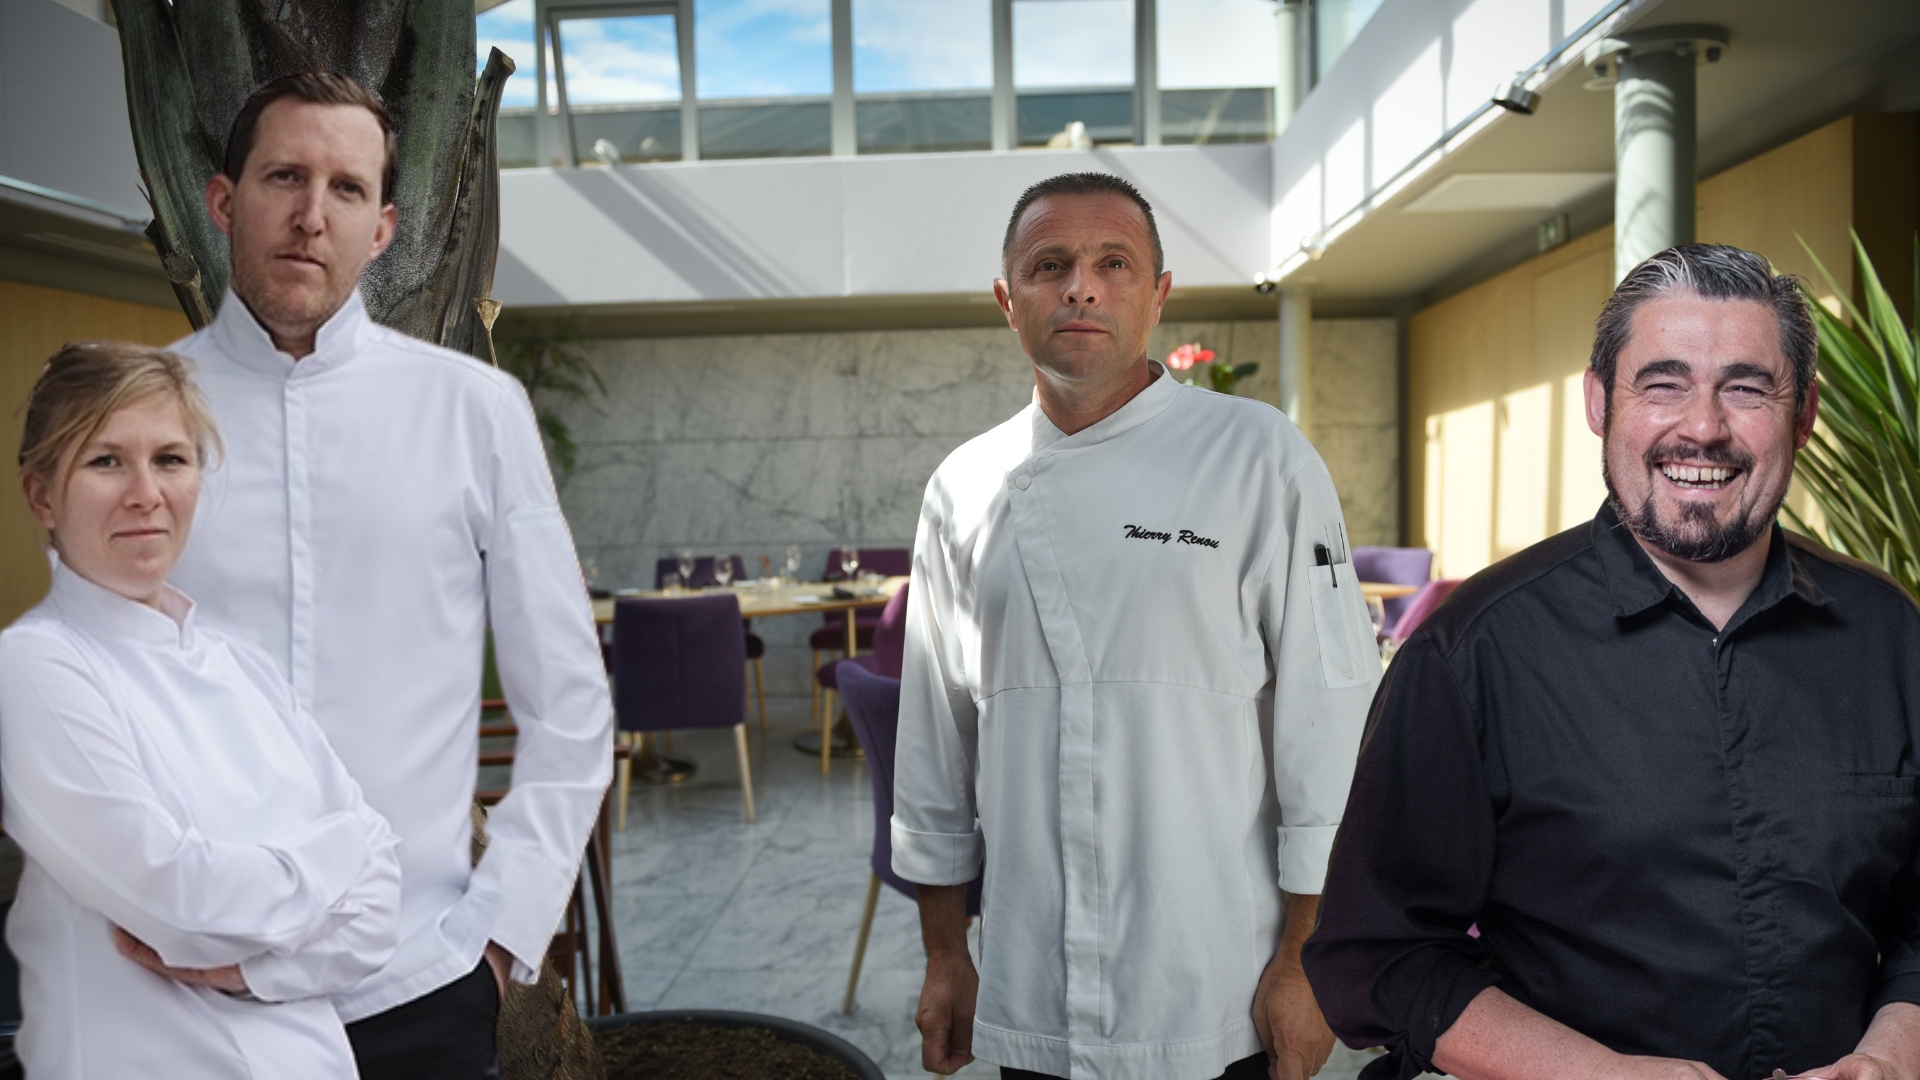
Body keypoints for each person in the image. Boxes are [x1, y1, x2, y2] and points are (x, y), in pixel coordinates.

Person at [1301, 243, 1920, 1080]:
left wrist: (1889, 1058)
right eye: (1662, 383)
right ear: (1599, 402)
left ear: (1804, 413)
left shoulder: (1891, 634)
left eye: (1745, 387)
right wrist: (1599, 1075)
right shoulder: (1472, 651)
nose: (1701, 425)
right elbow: (1380, 955)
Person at [163, 72, 613, 1079]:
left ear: (383, 228)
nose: (311, 215)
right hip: (182, 993)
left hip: (419, 988)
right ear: (224, 200)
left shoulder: (476, 412)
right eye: (284, 176)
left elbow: (571, 709)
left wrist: (493, 945)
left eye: (347, 188)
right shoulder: (138, 414)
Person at [892, 171, 1379, 1080]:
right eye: (1050, 265)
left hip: (1218, 982)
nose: (1081, 286)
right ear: (1009, 301)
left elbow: (1330, 726)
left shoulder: (1259, 456)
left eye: (1114, 262)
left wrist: (1306, 959)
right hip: (1034, 986)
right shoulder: (962, 484)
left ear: (1158, 295)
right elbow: (934, 744)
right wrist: (946, 953)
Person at [0, 342, 401, 1078]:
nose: (145, 492)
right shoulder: (32, 669)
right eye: (105, 461)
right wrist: (338, 853)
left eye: (172, 460)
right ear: (41, 495)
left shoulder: (240, 664)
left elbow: (380, 913)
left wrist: (252, 970)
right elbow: (180, 906)